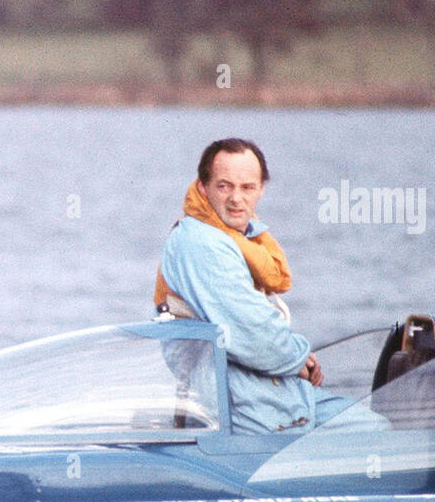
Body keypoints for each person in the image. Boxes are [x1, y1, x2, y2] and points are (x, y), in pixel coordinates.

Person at [154, 138, 363, 435]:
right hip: (233, 402)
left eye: (247, 187)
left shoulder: (238, 238)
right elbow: (251, 331)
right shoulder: (200, 241)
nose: (236, 198)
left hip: (267, 392)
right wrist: (296, 357)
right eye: (224, 186)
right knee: (372, 439)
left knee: (376, 426)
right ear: (203, 187)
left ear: (261, 189)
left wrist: (293, 357)